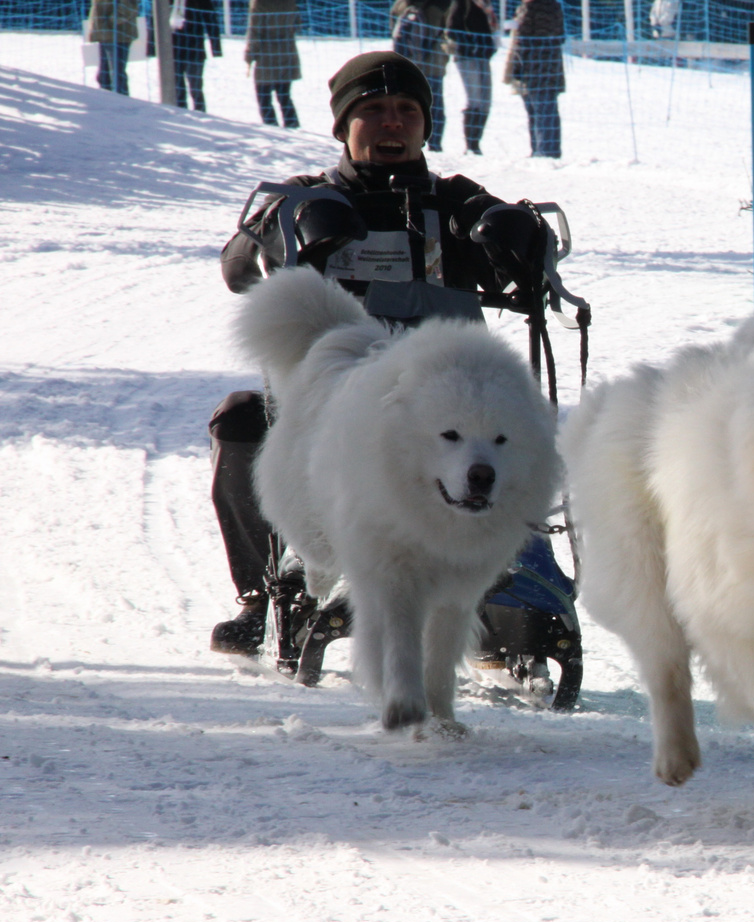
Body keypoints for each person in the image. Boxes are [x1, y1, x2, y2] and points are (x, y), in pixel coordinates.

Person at [209, 52, 529, 664]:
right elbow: (236, 269)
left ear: (424, 124)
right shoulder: (304, 196)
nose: (392, 124)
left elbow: (523, 266)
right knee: (241, 420)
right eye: (373, 111)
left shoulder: (458, 204)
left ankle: (499, 598)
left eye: (407, 111)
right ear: (343, 125)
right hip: (324, 408)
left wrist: (517, 240)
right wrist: (289, 231)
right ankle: (263, 593)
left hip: (442, 413)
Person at [506, 0, 566, 158]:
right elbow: (561, 36)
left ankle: (542, 152)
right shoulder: (554, 6)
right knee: (549, 110)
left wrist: (516, 67)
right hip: (552, 66)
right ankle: (551, 151)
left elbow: (522, 38)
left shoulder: (529, 7)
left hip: (533, 67)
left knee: (537, 111)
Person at [391, 0, 453, 153]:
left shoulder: (401, 4)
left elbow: (394, 29)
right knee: (435, 103)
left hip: (407, 63)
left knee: (408, 103)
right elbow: (450, 29)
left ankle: (409, 140)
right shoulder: (441, 5)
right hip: (433, 62)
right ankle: (435, 143)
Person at [446, 0, 498, 154]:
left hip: (483, 57)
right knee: (474, 99)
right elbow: (451, 30)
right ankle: (471, 144)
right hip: (466, 57)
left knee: (485, 101)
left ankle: (477, 141)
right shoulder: (461, 4)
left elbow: (492, 30)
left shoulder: (487, 8)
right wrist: (469, 44)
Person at [246, 0, 301, 128]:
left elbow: (254, 32)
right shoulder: (290, 2)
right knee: (284, 95)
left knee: (263, 96)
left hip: (266, 56)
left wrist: (250, 55)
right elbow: (297, 23)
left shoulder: (259, 3)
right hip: (287, 52)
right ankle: (292, 125)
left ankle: (271, 127)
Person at [171, 0, 223, 112]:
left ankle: (201, 114)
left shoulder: (200, 2)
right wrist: (152, 47)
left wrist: (216, 48)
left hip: (195, 50)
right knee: (177, 89)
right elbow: (155, 19)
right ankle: (181, 116)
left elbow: (211, 21)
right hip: (172, 50)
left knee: (196, 88)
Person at [87, 0, 139, 96]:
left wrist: (117, 17)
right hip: (104, 31)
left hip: (118, 32)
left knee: (116, 78)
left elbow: (130, 3)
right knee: (104, 76)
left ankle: (123, 106)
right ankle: (107, 105)